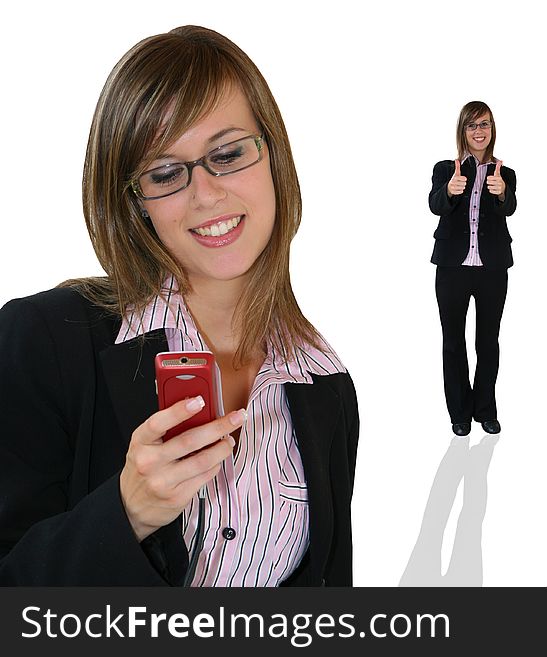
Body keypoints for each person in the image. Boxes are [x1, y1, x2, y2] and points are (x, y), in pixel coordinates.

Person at [0, 26, 358, 586]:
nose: (206, 193)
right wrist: (128, 511)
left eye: (229, 153)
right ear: (135, 202)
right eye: (165, 173)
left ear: (272, 156)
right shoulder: (43, 341)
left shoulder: (325, 385)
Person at [428, 101, 517, 437]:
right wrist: (449, 191)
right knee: (453, 342)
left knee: (487, 341)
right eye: (472, 125)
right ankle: (459, 413)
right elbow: (435, 203)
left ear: (492, 130)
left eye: (485, 125)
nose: (479, 131)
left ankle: (486, 409)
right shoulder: (445, 168)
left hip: (493, 268)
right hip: (452, 267)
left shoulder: (504, 173)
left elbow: (510, 207)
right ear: (463, 130)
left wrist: (503, 193)